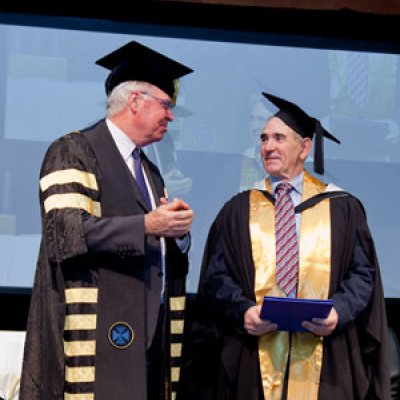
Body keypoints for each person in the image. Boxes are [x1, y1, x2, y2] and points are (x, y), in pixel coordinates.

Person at [180, 92, 390, 400]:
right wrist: (244, 311)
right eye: (264, 139)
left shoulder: (341, 207)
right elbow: (216, 277)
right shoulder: (238, 209)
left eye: (279, 138)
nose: (268, 147)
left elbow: (362, 274)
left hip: (327, 354)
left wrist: (338, 312)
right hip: (255, 354)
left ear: (304, 147)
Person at [19, 40, 194, 400]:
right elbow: (65, 234)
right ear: (135, 101)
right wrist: (147, 226)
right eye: (166, 105)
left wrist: (176, 234)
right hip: (98, 335)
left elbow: (155, 239)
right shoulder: (74, 151)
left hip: (149, 336)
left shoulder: (149, 171)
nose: (171, 116)